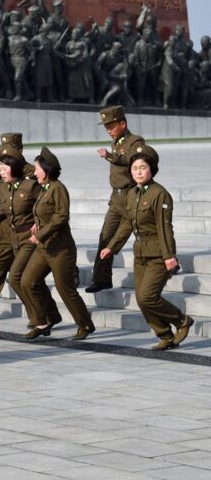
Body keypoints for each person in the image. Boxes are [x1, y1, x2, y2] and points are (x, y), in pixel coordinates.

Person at [99, 144, 192, 350]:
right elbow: (125, 224)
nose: (138, 172)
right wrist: (112, 247)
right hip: (140, 253)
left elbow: (165, 227)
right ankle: (165, 334)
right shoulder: (132, 193)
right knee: (142, 300)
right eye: (134, 168)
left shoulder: (160, 194)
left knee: (147, 296)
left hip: (159, 253)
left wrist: (170, 256)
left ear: (151, 169)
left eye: (142, 167)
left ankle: (182, 321)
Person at [0, 147, 60, 325]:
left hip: (30, 237)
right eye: (0, 170)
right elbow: (6, 210)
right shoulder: (4, 187)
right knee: (32, 281)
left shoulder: (31, 186)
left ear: (14, 167)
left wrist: (39, 222)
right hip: (14, 238)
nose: (1, 173)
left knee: (17, 277)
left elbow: (47, 205)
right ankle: (50, 315)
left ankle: (38, 317)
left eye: (4, 169)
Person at [21, 147, 94, 340]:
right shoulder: (44, 188)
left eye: (37, 168)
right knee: (27, 281)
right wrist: (37, 226)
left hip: (61, 249)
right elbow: (44, 213)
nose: (34, 172)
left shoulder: (58, 188)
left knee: (65, 289)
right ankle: (42, 322)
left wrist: (41, 234)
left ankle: (85, 324)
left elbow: (61, 216)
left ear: (47, 169)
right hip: (44, 248)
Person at [89, 106, 145, 294]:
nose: (108, 130)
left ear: (123, 124)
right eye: (106, 127)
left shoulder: (135, 141)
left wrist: (109, 156)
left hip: (131, 196)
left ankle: (169, 262)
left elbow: (132, 161)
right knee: (106, 236)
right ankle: (101, 279)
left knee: (145, 233)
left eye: (111, 126)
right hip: (116, 198)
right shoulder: (117, 141)